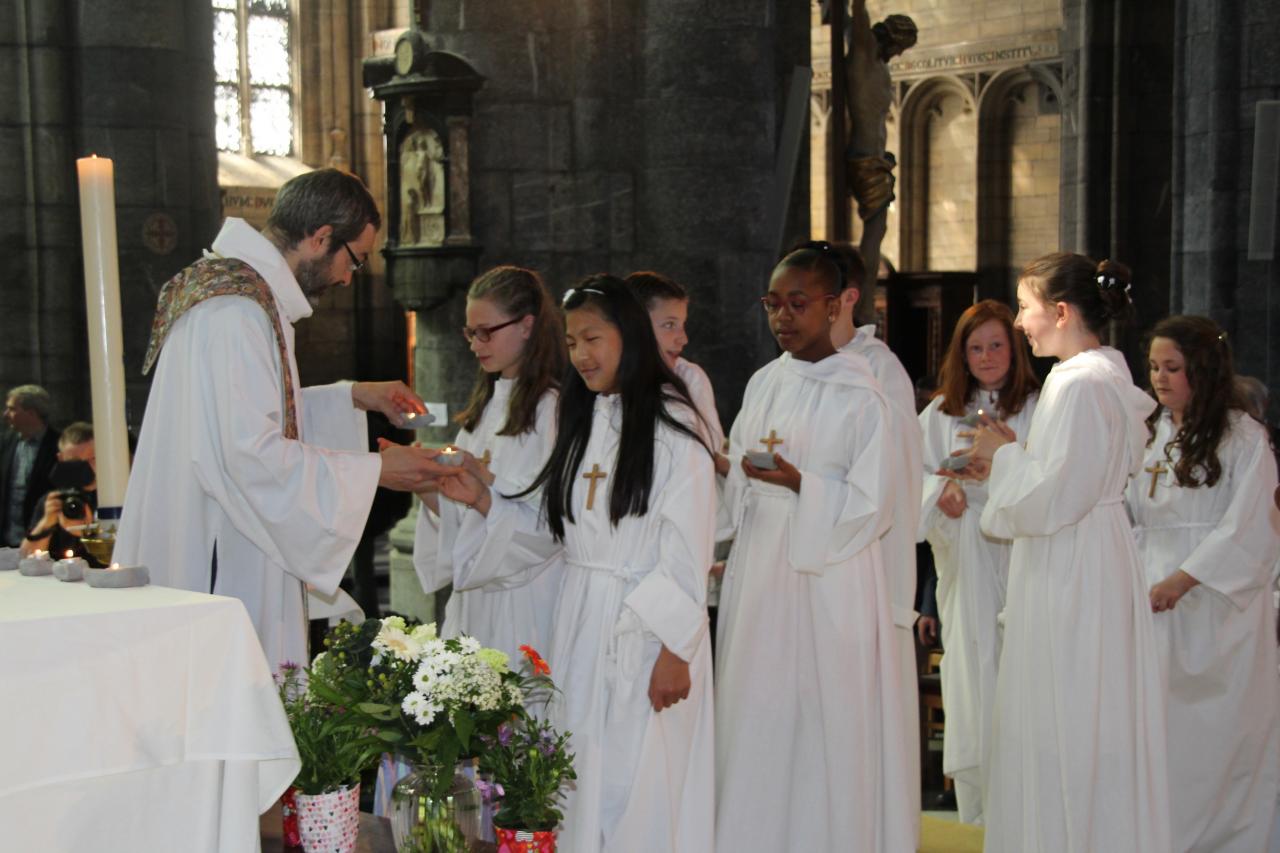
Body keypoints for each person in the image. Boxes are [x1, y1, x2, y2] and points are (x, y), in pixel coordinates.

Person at [114, 168, 446, 670]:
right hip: (223, 557)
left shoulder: (239, 296)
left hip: (221, 534)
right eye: (352, 260)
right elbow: (247, 453)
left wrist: (351, 397)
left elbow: (242, 419)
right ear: (319, 238)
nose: (345, 277)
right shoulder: (237, 311)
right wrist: (377, 471)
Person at [438, 275, 716, 852]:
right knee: (579, 770)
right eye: (571, 342)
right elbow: (554, 531)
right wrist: (482, 499)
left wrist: (675, 650)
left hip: (640, 629)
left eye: (594, 338)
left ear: (630, 336)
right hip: (581, 618)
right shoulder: (586, 421)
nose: (582, 355)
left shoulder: (673, 428)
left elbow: (688, 548)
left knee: (635, 778)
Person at [958, 253, 1170, 852]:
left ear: (1060, 311)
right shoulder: (1101, 378)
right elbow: (1067, 477)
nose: (1021, 323)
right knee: (1082, 712)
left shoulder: (1077, 384)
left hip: (1071, 568)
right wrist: (1016, 452)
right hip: (1087, 556)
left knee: (1067, 714)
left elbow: (1051, 497)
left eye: (1025, 308)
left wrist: (1001, 455)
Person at [714, 246, 913, 851]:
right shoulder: (766, 380)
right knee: (760, 712)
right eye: (773, 304)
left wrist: (803, 484)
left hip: (833, 578)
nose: (783, 317)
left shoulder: (863, 395)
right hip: (761, 571)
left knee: (825, 718)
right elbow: (737, 478)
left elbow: (874, 506)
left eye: (798, 304)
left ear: (834, 306)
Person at [1125, 316, 1280, 853]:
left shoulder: (1243, 437)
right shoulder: (1148, 431)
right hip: (1149, 598)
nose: (1160, 379)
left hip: (1216, 609)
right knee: (1158, 737)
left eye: (1173, 368)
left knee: (1214, 740)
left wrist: (1184, 580)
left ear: (1204, 371)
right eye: (1153, 367)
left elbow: (1252, 525)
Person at [917, 300, 1040, 824]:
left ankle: (1028, 799)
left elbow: (1051, 475)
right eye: (975, 347)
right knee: (975, 671)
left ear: (1014, 350)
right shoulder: (942, 411)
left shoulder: (1040, 404)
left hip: (1021, 552)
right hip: (966, 552)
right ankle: (983, 806)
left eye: (996, 345)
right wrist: (938, 490)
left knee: (1023, 671)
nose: (986, 356)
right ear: (960, 354)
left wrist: (1006, 465)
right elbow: (908, 477)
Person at [410, 265, 566, 660]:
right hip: (476, 601)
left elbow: (551, 526)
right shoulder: (484, 410)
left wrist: (481, 485)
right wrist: (424, 482)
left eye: (486, 331)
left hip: (527, 599)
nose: (475, 343)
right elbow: (461, 523)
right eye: (470, 332)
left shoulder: (553, 412)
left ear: (527, 325)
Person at [827, 239, 923, 834]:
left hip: (867, 566)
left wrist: (893, 592)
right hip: (809, 569)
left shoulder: (879, 371)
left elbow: (899, 480)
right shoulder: (784, 374)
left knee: (863, 721)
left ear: (845, 299)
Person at [20, 421, 97, 560]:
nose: (86, 468)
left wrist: (90, 533)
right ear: (61, 459)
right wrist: (45, 524)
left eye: (92, 459)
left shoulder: (116, 498)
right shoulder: (55, 500)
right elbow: (26, 559)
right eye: (75, 462)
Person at [0, 385, 60, 547]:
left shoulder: (58, 446)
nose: (6, 415)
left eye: (12, 409)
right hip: (5, 542)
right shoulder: (5, 443)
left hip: (42, 540)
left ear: (31, 413)